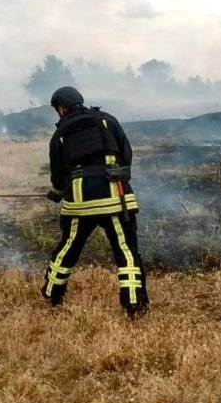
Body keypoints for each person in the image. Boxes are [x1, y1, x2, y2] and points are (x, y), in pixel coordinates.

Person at [42, 86, 149, 317]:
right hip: (115, 196)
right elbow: (126, 153)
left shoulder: (60, 134)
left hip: (81, 203)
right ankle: (134, 304)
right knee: (126, 251)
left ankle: (52, 295)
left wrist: (59, 192)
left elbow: (58, 176)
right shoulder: (107, 120)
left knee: (68, 248)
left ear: (61, 108)